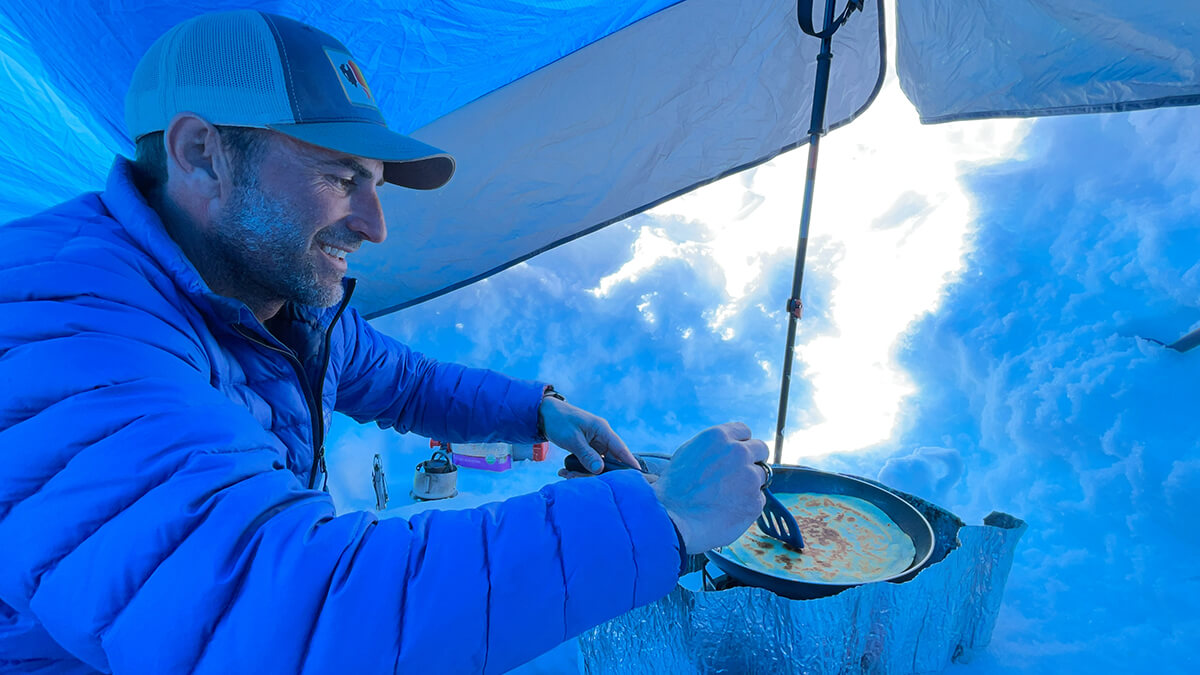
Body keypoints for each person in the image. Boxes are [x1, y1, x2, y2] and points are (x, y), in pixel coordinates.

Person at [0, 10, 769, 674]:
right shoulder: (67, 332)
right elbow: (280, 617)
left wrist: (541, 413)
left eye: (374, 182)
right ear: (202, 153)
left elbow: (402, 378)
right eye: (341, 178)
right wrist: (665, 521)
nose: (375, 225)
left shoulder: (270, 294)